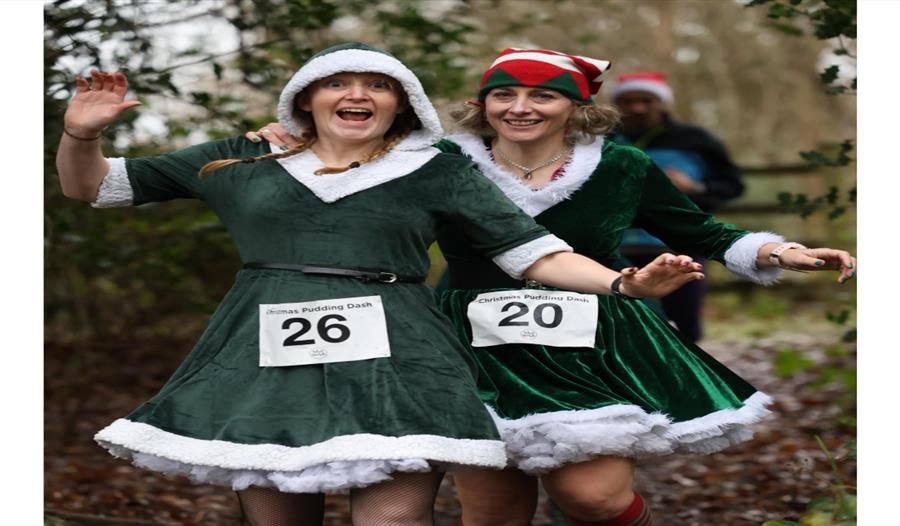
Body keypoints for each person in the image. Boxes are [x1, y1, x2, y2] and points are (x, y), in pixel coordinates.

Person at [55, 42, 704, 526]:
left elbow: (532, 253)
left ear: (402, 103)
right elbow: (96, 186)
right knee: (280, 518)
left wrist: (623, 284)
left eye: (376, 84)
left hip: (400, 353)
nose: (356, 94)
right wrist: (80, 135)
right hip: (264, 355)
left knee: (393, 519)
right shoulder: (239, 159)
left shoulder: (433, 168)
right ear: (306, 98)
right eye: (337, 82)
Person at [259, 47, 856, 526]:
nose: (520, 107)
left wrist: (779, 251)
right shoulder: (438, 160)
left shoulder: (622, 167)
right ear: (483, 104)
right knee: (493, 510)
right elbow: (347, 162)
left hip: (594, 340)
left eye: (542, 95)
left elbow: (698, 227)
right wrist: (290, 136)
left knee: (592, 499)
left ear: (577, 109)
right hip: (470, 344)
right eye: (504, 94)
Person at [611, 71, 746, 342]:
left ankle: (687, 378)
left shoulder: (695, 140)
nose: (637, 107)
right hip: (613, 246)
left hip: (681, 246)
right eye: (628, 101)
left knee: (685, 325)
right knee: (619, 326)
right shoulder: (602, 140)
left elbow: (733, 185)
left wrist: (696, 189)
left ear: (661, 102)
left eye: (646, 100)